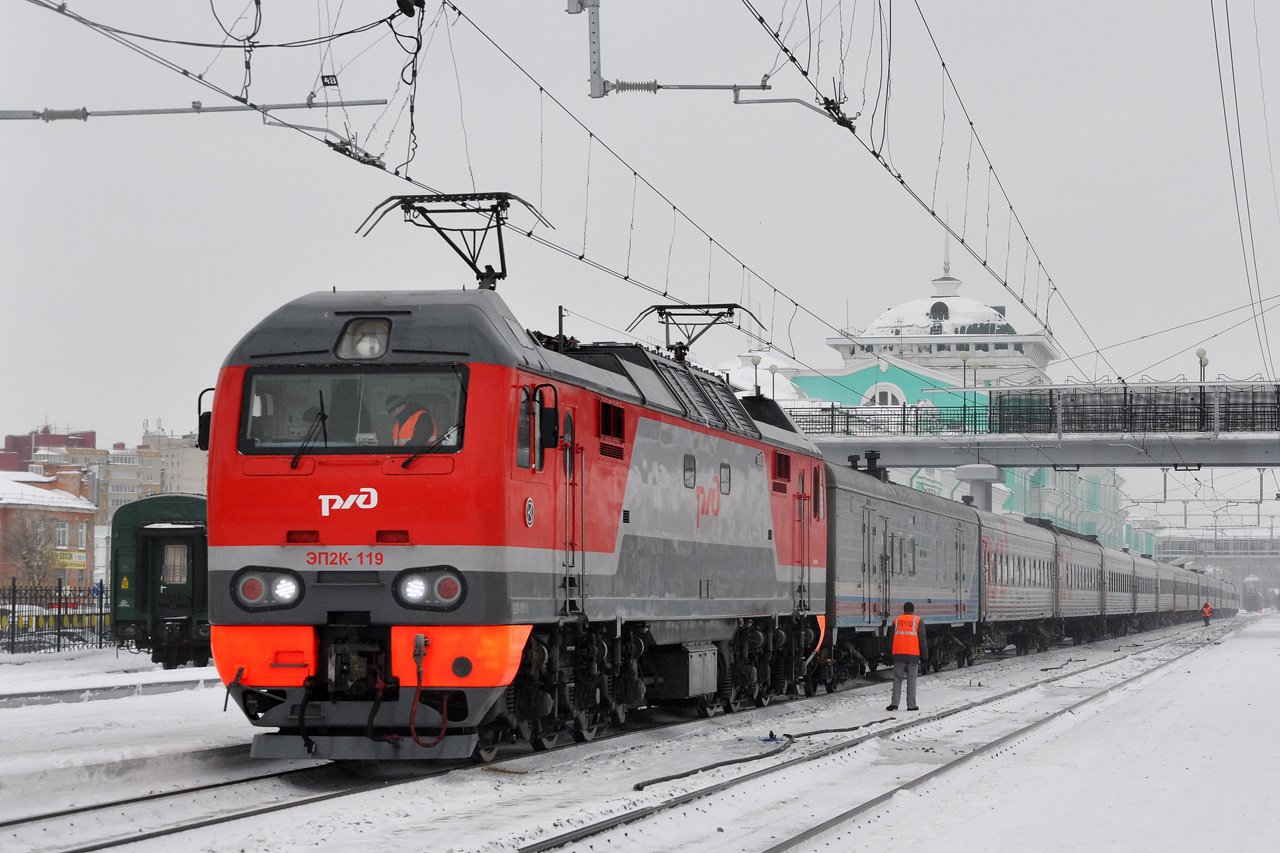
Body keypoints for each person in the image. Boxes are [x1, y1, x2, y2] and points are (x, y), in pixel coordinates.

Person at [886, 601, 927, 712]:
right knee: (911, 679)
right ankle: (911, 705)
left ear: (904, 610)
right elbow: (922, 639)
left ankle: (894, 704)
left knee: (897, 679)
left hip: (898, 654)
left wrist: (890, 652)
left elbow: (891, 638)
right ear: (913, 610)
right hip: (913, 654)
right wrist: (925, 655)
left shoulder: (896, 620)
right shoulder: (918, 620)